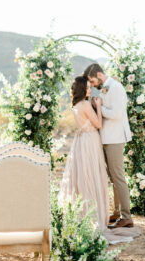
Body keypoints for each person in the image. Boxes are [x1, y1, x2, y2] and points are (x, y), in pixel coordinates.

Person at [58, 75, 139, 244]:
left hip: (80, 142)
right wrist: (100, 106)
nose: (90, 89)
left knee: (83, 177)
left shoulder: (76, 105)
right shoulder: (87, 104)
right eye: (87, 87)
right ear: (82, 89)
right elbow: (99, 124)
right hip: (91, 141)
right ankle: (99, 214)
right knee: (93, 176)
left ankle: (84, 213)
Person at [84, 63, 133, 228]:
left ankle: (127, 216)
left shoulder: (116, 87)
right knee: (113, 177)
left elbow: (117, 114)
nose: (92, 84)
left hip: (115, 138)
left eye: (92, 80)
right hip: (106, 138)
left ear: (99, 74)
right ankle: (118, 212)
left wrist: (98, 108)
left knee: (118, 176)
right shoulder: (105, 88)